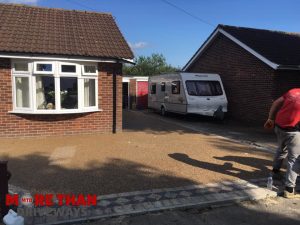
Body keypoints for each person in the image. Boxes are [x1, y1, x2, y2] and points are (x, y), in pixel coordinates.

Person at [264, 88, 300, 198]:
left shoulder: (293, 91)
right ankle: (289, 190)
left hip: (279, 127)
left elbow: (276, 103)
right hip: (293, 131)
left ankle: (275, 172)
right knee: (294, 159)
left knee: (281, 149)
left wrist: (270, 119)